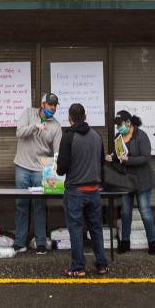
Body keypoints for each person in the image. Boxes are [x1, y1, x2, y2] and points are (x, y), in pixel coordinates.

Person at [56, 102, 110, 277]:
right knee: (96, 228)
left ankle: (78, 267)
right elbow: (101, 161)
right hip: (94, 190)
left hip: (75, 191)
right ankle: (102, 265)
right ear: (85, 117)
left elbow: (61, 168)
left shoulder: (68, 136)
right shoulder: (97, 136)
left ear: (70, 118)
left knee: (76, 229)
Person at [13, 92, 63, 254]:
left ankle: (41, 242)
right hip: (22, 166)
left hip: (41, 170)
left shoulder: (56, 126)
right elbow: (19, 133)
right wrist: (35, 127)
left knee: (39, 205)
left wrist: (55, 174)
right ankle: (20, 242)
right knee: (21, 205)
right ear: (42, 104)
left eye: (55, 105)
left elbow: (57, 153)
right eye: (50, 105)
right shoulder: (28, 113)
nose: (53, 108)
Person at [106, 109, 155, 255]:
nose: (118, 128)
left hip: (142, 180)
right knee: (125, 212)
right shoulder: (118, 137)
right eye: (116, 126)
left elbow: (146, 157)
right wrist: (112, 157)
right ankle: (125, 242)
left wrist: (129, 160)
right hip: (126, 180)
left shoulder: (141, 136)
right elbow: (117, 155)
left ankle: (152, 242)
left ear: (128, 123)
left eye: (120, 125)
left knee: (145, 211)